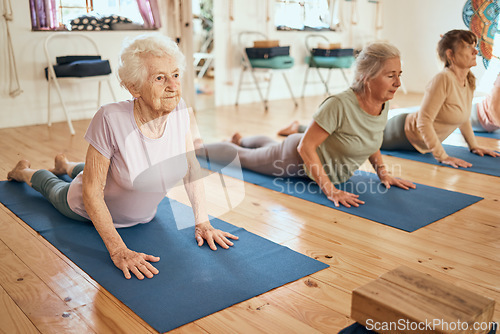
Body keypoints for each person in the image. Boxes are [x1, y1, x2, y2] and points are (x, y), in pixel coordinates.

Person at [7, 33, 238, 280]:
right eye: (160, 78)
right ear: (133, 87)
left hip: (142, 213)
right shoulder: (109, 118)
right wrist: (118, 250)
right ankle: (23, 171)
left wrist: (202, 222)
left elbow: (192, 169)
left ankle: (65, 164)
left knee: (112, 169)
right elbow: (91, 193)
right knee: (53, 186)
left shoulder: (182, 112)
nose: (173, 86)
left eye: (176, 75)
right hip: (81, 207)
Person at [195, 42, 415, 208]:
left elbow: (371, 139)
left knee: (268, 146)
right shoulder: (339, 104)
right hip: (294, 160)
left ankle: (241, 139)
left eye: (399, 75)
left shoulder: (382, 103)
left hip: (309, 154)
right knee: (242, 158)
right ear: (368, 77)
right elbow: (305, 148)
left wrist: (383, 174)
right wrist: (330, 190)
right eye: (391, 76)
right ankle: (197, 149)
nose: (398, 83)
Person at [380, 29, 500, 167]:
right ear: (450, 54)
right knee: (359, 140)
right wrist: (442, 157)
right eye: (468, 47)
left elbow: (463, 117)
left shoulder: (469, 80)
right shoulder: (443, 79)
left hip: (416, 139)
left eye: (474, 46)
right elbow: (423, 121)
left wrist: (474, 146)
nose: (475, 52)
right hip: (401, 133)